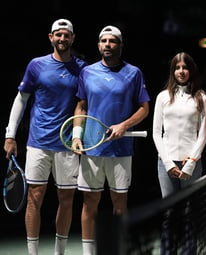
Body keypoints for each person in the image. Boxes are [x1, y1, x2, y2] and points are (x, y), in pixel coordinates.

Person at [3, 18, 87, 255]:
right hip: (38, 143)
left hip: (67, 145)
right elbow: (21, 99)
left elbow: (83, 104)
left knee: (66, 199)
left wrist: (78, 136)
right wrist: (10, 135)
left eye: (66, 35)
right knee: (34, 197)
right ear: (51, 38)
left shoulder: (82, 69)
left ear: (72, 38)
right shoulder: (36, 65)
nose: (62, 39)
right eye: (57, 35)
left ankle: (59, 252)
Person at [71, 25, 150, 255]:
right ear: (98, 45)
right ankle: (88, 253)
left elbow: (144, 108)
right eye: (103, 41)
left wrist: (124, 125)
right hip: (91, 148)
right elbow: (81, 106)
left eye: (112, 41)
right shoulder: (87, 72)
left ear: (120, 45)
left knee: (119, 203)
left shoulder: (134, 73)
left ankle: (120, 249)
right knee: (89, 203)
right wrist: (77, 136)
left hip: (121, 150)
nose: (107, 44)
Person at [152, 52, 206, 254]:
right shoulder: (162, 97)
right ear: (173, 71)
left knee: (189, 215)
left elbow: (203, 134)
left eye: (185, 67)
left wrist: (191, 162)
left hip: (191, 164)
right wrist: (168, 164)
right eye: (177, 67)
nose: (181, 71)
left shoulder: (201, 97)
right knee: (169, 215)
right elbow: (156, 134)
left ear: (191, 70)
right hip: (166, 165)